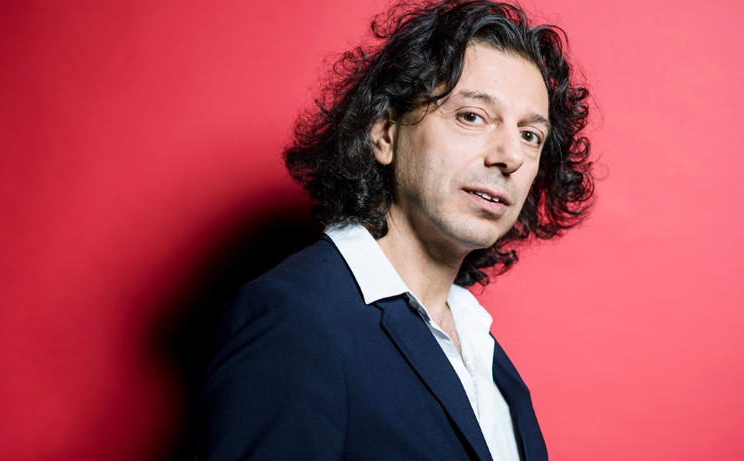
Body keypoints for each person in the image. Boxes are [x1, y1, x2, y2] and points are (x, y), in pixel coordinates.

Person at [197, 0, 594, 459]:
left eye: (530, 135)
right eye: (472, 116)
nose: (510, 157)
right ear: (384, 133)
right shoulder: (297, 320)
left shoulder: (478, 340)